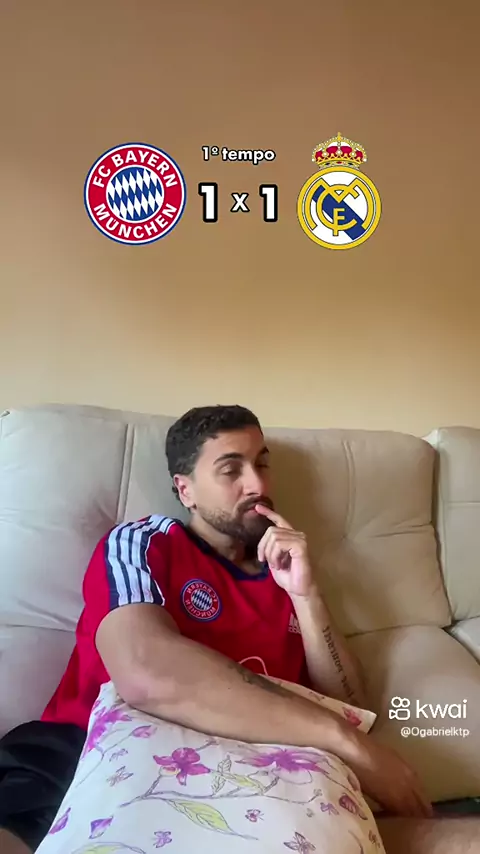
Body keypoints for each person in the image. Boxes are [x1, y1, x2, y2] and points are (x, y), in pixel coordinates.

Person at [0, 404, 478, 854]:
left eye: (262, 464)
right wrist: (346, 743)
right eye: (231, 470)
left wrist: (306, 595)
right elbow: (145, 672)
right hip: (80, 750)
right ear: (185, 489)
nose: (257, 484)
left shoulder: (284, 575)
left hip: (257, 768)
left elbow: (349, 702)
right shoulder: (144, 543)